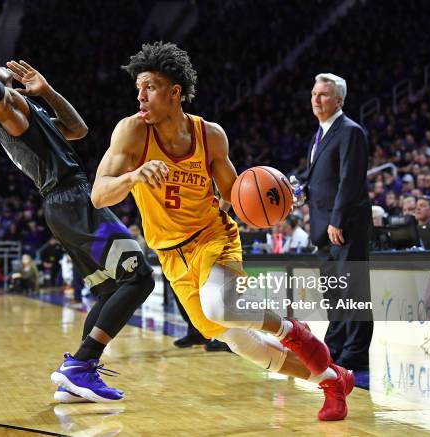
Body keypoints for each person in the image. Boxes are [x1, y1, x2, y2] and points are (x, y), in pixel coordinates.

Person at [90, 42, 352, 421]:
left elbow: (234, 195)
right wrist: (133, 176)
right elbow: (98, 195)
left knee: (220, 305)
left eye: (149, 87)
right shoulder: (131, 132)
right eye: (138, 89)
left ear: (174, 92)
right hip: (171, 256)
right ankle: (332, 379)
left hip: (214, 238)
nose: (140, 96)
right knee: (241, 343)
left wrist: (272, 196)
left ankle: (294, 330)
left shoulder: (209, 135)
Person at [0, 38, 154, 403]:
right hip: (72, 199)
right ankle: (81, 365)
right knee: (139, 278)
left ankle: (76, 377)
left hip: (66, 204)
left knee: (112, 289)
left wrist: (48, 91)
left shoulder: (25, 107)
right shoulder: (5, 109)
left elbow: (78, 130)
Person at [302, 73, 373, 372]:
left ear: (339, 100)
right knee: (334, 292)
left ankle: (355, 353)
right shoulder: (318, 135)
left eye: (324, 95)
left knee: (353, 291)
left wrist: (337, 220)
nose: (316, 99)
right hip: (323, 228)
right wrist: (299, 192)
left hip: (344, 226)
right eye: (314, 94)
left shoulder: (350, 131)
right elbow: (320, 181)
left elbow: (350, 180)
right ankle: (335, 346)